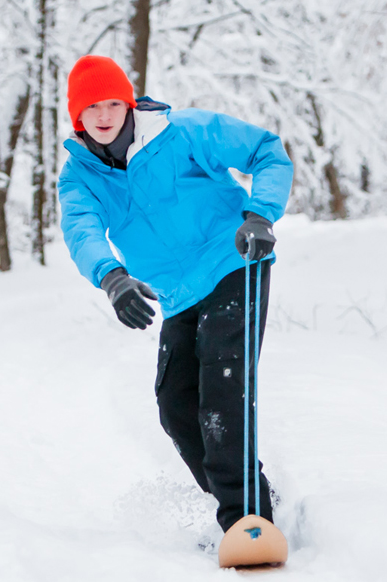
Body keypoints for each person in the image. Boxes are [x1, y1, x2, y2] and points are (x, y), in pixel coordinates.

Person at [57, 55, 293, 534]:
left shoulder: (181, 133)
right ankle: (251, 494)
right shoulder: (79, 177)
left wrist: (260, 215)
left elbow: (266, 150)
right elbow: (81, 229)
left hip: (233, 262)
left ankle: (246, 519)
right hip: (178, 294)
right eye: (90, 109)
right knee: (176, 402)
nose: (102, 116)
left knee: (222, 388)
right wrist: (112, 277)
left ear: (127, 105)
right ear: (77, 118)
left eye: (111, 104)